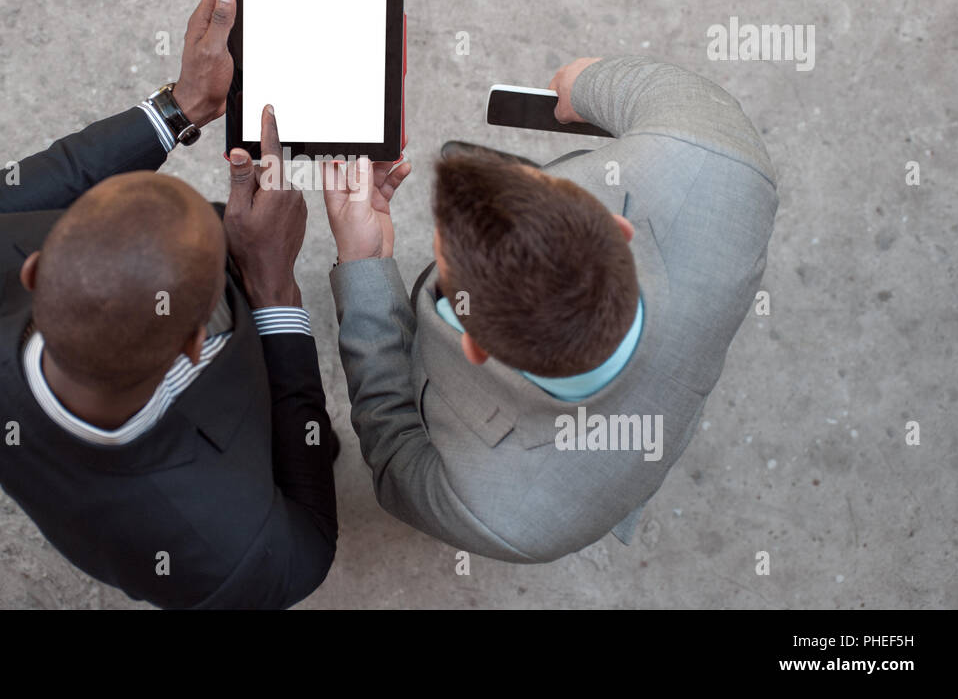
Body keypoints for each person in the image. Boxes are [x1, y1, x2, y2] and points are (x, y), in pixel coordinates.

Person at [0, 0, 337, 608]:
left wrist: (185, 105)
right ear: (198, 343)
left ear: (35, 267)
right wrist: (271, 287)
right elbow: (311, 534)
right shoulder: (240, 553)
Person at [323, 55, 778, 562]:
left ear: (472, 345)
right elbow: (637, 84)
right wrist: (582, 83)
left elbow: (395, 448)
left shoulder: (500, 516)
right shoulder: (720, 160)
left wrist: (365, 262)